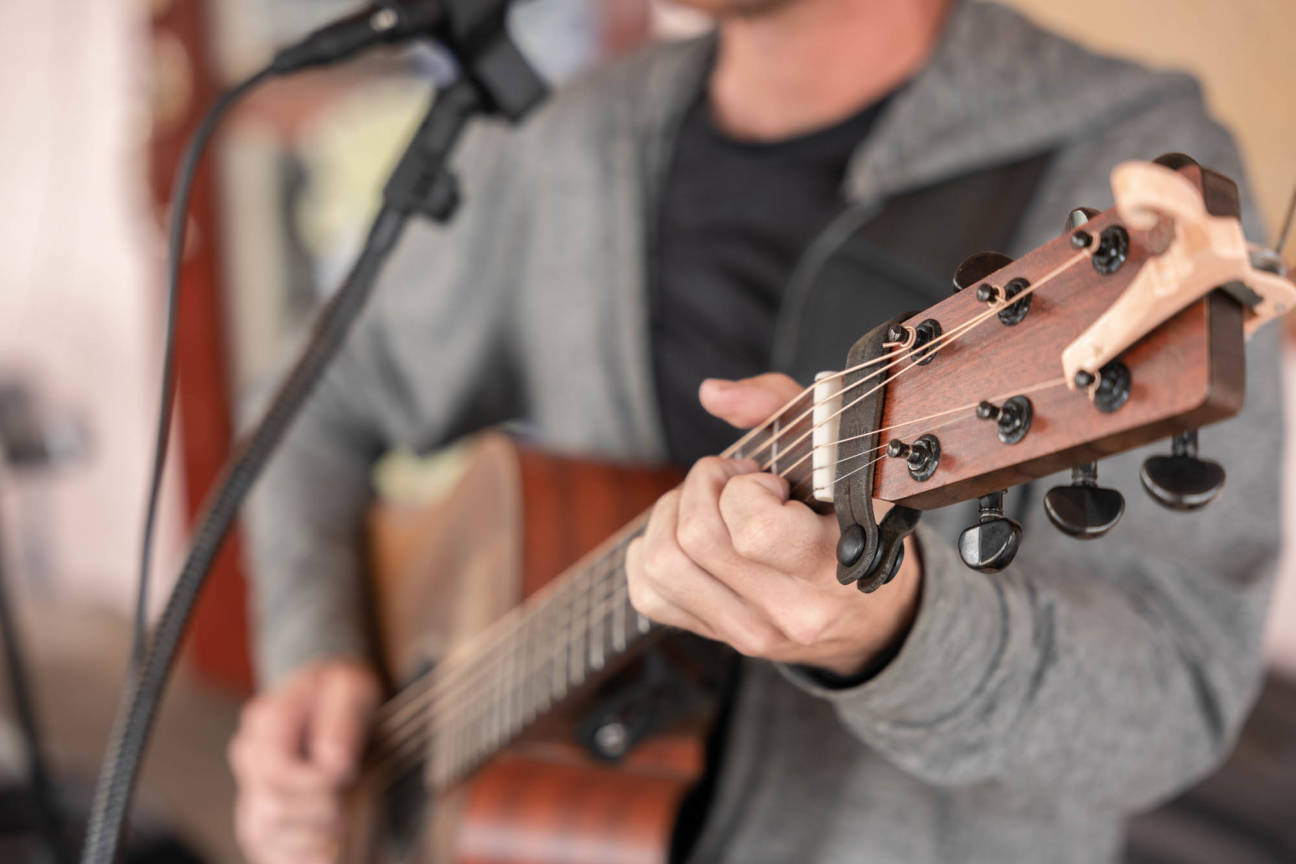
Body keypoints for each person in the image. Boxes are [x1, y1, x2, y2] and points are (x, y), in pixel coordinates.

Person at [227, 1, 1286, 862]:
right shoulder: (574, 142)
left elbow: (1172, 694)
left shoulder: (1117, 171)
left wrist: (895, 635)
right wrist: (317, 649)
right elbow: (315, 398)